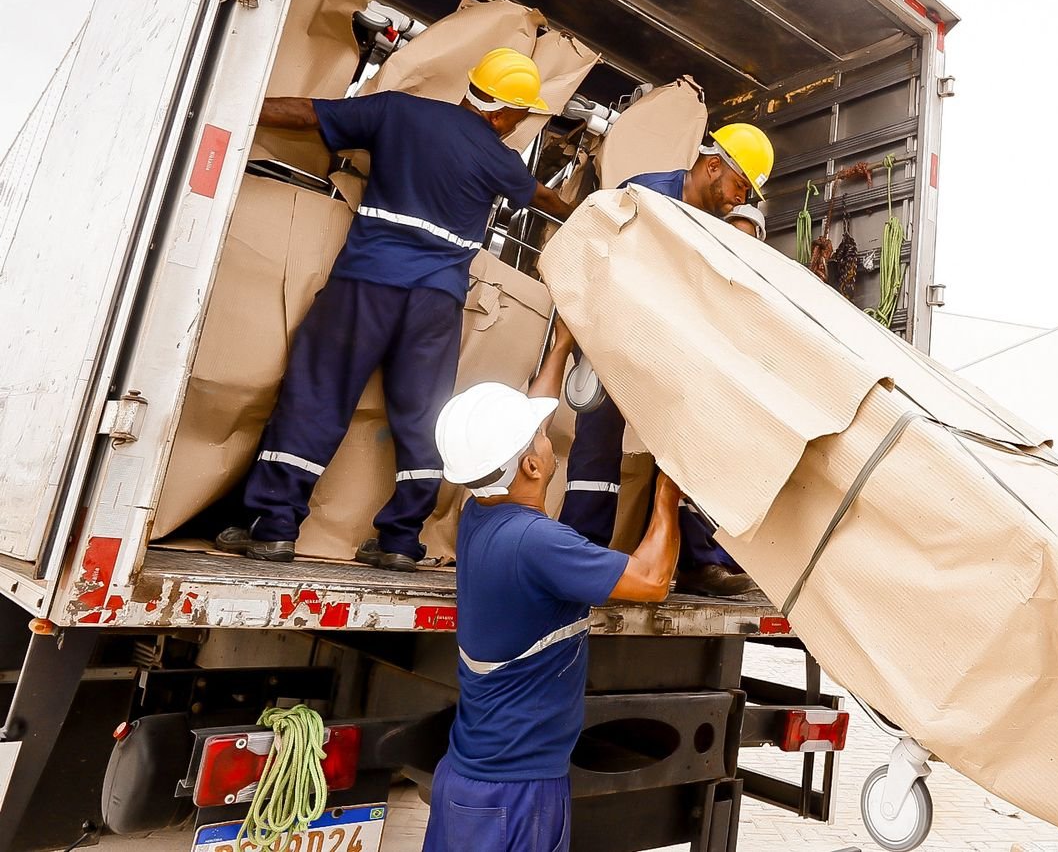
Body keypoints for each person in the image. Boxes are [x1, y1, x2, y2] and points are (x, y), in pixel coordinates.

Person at [217, 48, 573, 572]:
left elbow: (311, 113)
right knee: (425, 420)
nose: (524, 123)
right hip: (435, 305)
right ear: (500, 112)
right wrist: (601, 211)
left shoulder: (399, 112)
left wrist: (237, 102)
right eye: (524, 113)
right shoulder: (501, 160)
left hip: (367, 284)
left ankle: (274, 527)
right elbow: (546, 200)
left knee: (319, 396)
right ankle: (401, 541)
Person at [423, 317, 682, 852]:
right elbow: (653, 580)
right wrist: (671, 485)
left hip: (468, 782)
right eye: (542, 435)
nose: (548, 436)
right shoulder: (537, 544)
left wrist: (562, 345)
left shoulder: (480, 515)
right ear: (534, 465)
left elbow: (517, 444)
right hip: (516, 798)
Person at [559, 124, 775, 597]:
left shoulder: (718, 228)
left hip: (669, 346)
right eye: (741, 186)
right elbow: (588, 257)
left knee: (690, 446)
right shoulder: (645, 196)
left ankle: (699, 563)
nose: (741, 198)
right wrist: (573, 345)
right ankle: (579, 550)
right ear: (713, 166)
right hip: (615, 334)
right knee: (598, 444)